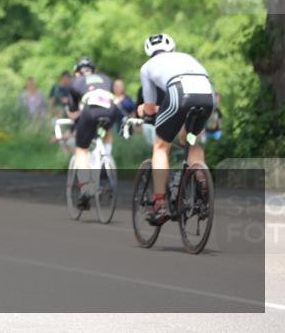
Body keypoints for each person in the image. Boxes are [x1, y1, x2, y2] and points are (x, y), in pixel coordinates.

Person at [137, 33, 215, 226]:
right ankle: (202, 184)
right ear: (172, 47)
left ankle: (160, 203)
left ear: (149, 52)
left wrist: (146, 114)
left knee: (161, 146)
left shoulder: (147, 67)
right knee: (190, 138)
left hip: (180, 92)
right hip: (206, 95)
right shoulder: (187, 57)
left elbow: (149, 106)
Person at [68, 56, 119, 209]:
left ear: (77, 72)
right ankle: (106, 158)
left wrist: (75, 119)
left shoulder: (75, 82)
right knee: (107, 129)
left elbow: (73, 112)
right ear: (93, 71)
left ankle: (85, 188)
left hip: (90, 110)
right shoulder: (105, 78)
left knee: (81, 149)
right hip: (111, 109)